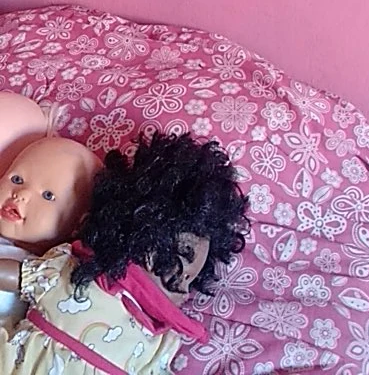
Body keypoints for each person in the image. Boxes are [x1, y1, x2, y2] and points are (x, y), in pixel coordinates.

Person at [0, 131, 249, 374]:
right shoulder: (74, 273)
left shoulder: (162, 342)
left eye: (190, 280)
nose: (184, 288)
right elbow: (20, 276)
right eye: (179, 271)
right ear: (143, 247)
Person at [0, 136, 101, 333]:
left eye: (48, 195)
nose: (21, 194)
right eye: (16, 179)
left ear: (78, 224)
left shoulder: (48, 269)